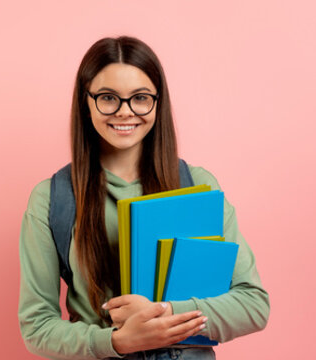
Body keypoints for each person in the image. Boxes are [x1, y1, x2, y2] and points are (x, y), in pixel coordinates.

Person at [17, 36, 269, 360]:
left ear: (157, 102)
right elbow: (37, 328)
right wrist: (120, 341)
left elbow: (253, 304)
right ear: (86, 101)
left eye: (140, 98)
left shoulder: (198, 185)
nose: (125, 112)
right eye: (108, 98)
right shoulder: (51, 200)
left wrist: (164, 313)